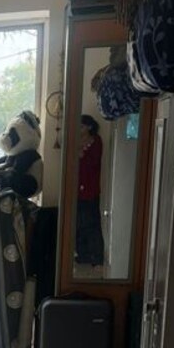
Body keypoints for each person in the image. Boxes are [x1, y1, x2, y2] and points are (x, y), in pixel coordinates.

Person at [76, 114, 105, 267]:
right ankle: (83, 255)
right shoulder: (75, 140)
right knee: (79, 224)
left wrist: (81, 154)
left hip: (90, 189)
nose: (79, 129)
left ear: (89, 127)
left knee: (92, 223)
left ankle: (96, 256)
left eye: (81, 126)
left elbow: (93, 163)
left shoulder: (96, 141)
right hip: (77, 189)